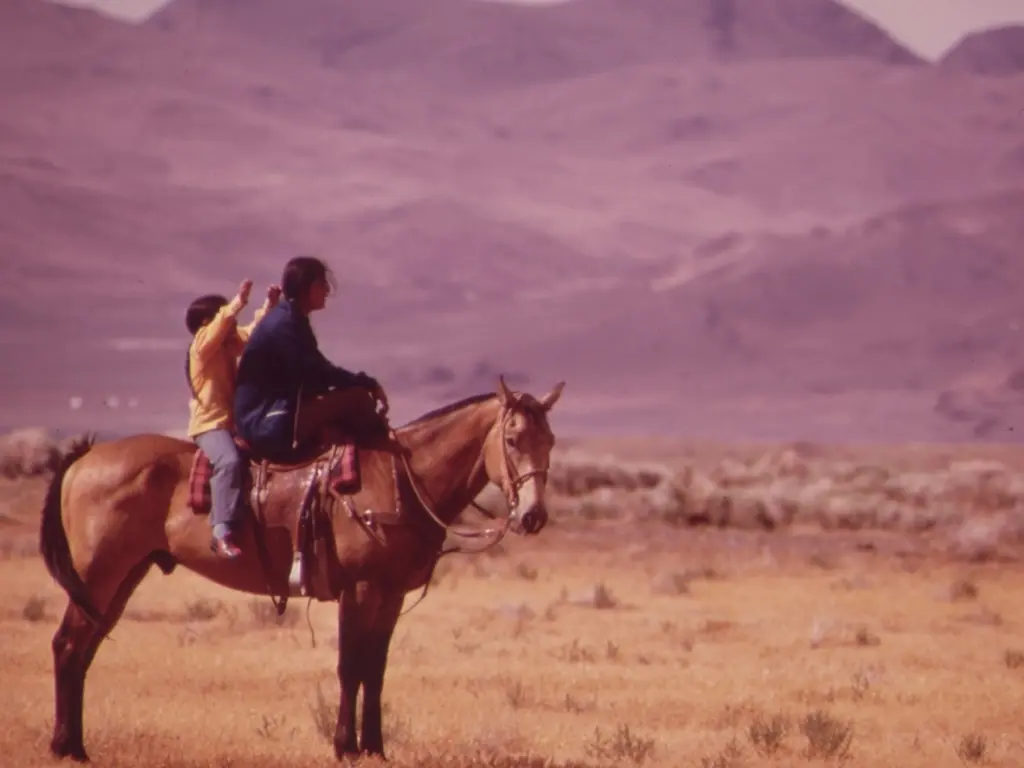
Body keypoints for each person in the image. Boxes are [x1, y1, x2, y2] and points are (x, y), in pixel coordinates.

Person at [233, 256, 389, 465]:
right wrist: (366, 382)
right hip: (266, 421)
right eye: (323, 284)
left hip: (270, 414)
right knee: (357, 399)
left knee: (349, 399)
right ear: (310, 286)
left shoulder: (290, 319)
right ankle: (382, 467)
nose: (326, 291)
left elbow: (316, 372)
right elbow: (317, 372)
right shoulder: (284, 324)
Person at [186, 279, 281, 559]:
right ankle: (221, 530)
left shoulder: (226, 345)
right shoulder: (202, 344)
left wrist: (269, 306)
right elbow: (220, 327)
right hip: (210, 426)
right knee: (228, 461)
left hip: (231, 424)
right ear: (207, 322)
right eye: (221, 314)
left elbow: (251, 334)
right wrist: (237, 302)